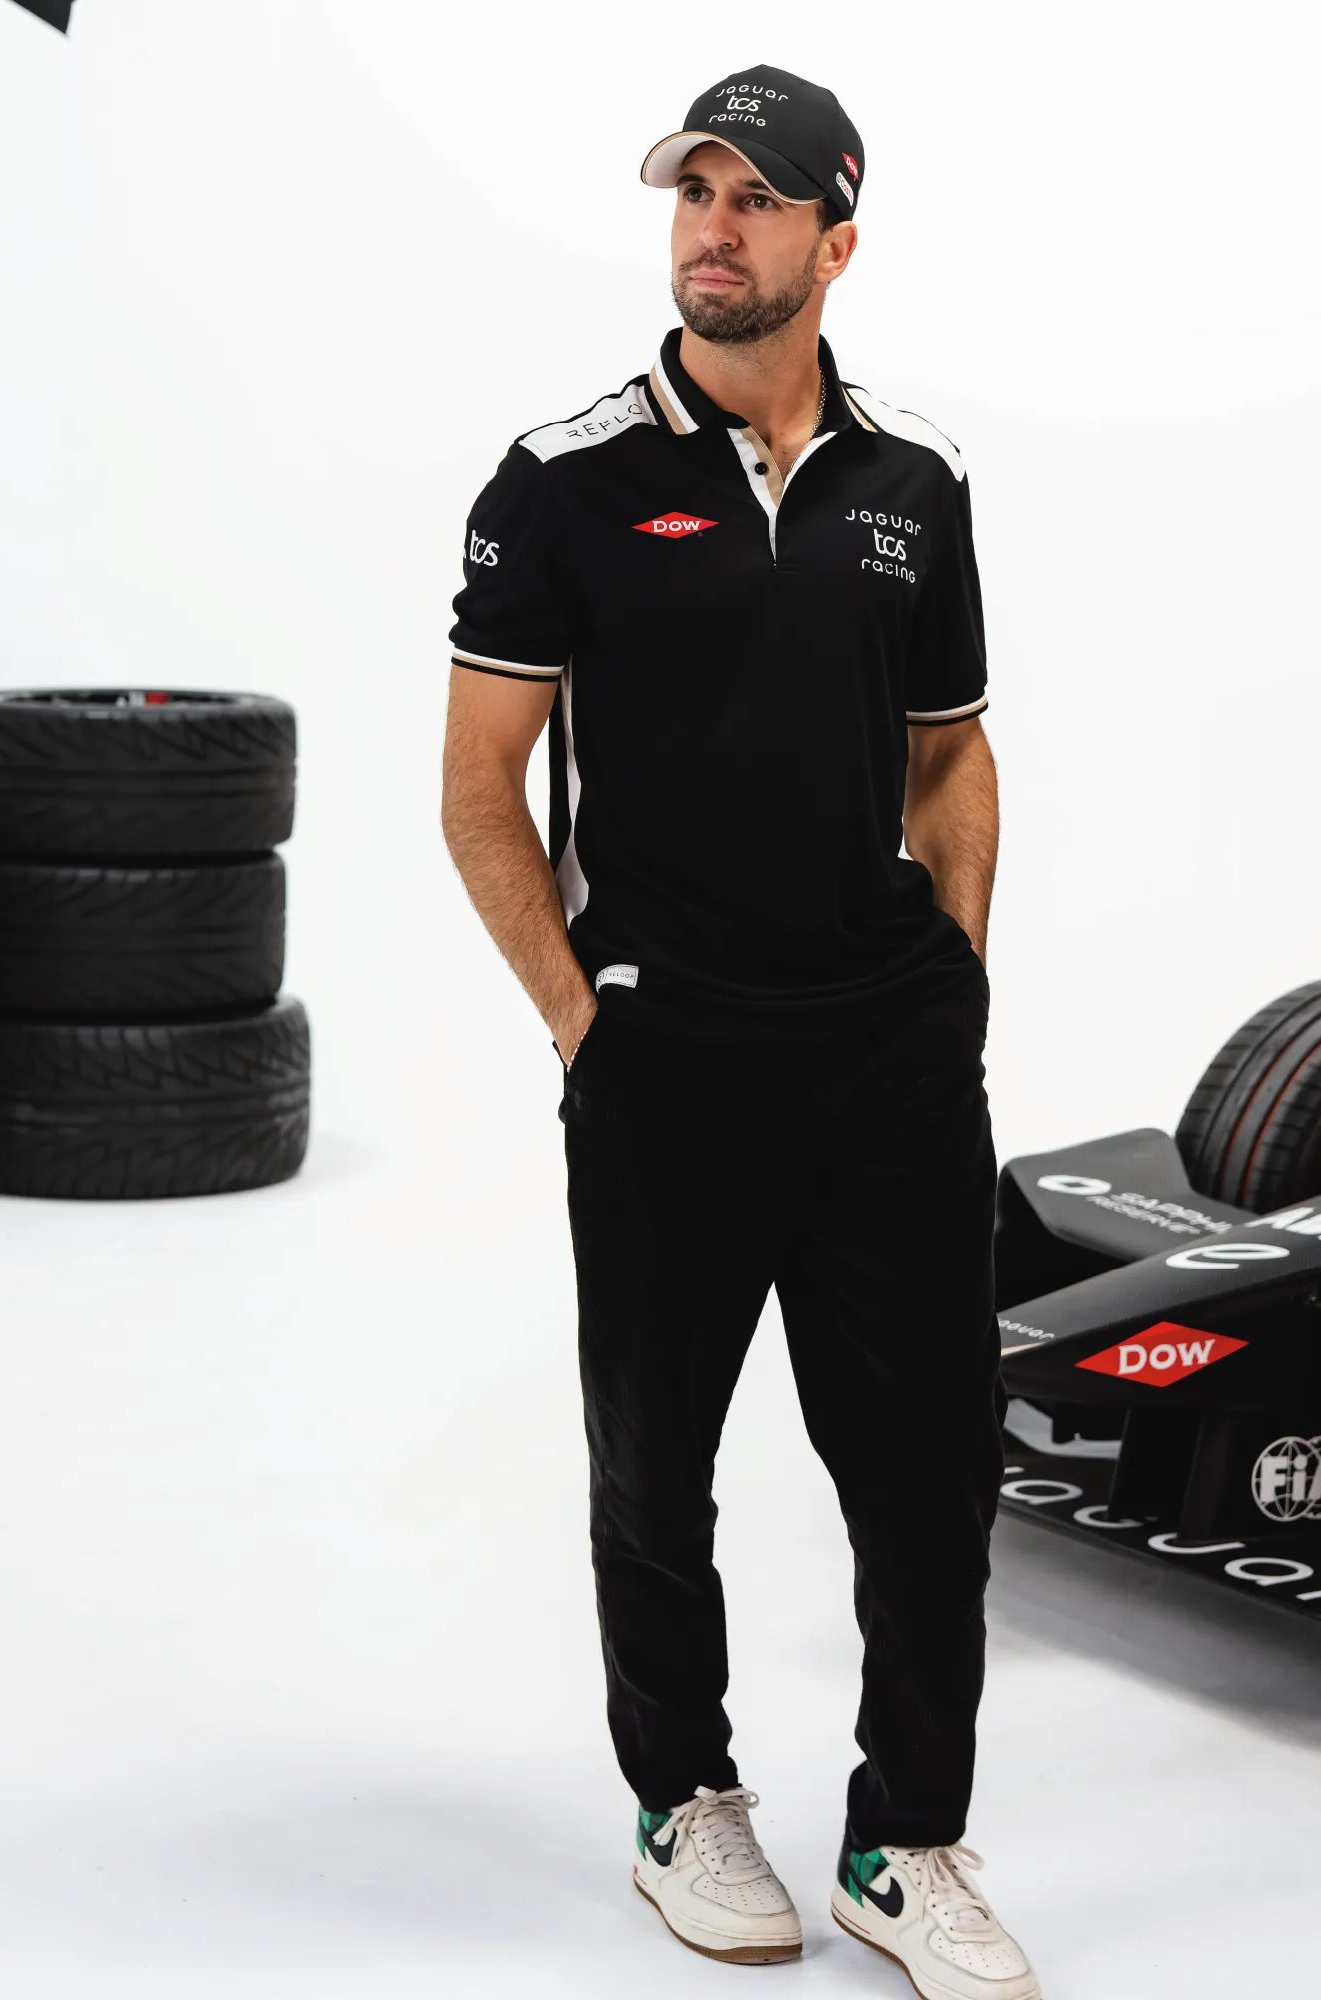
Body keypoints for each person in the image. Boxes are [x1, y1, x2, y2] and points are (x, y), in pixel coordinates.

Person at [440, 63, 1040, 2000]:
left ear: (833, 241)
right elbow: (479, 787)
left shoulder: (915, 480)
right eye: (692, 192)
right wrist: (581, 1022)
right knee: (655, 1465)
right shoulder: (563, 478)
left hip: (883, 1057)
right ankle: (681, 1799)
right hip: (668, 1052)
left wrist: (951, 975)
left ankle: (905, 1841)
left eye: (755, 197)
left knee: (929, 1468)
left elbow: (950, 755)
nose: (713, 226)